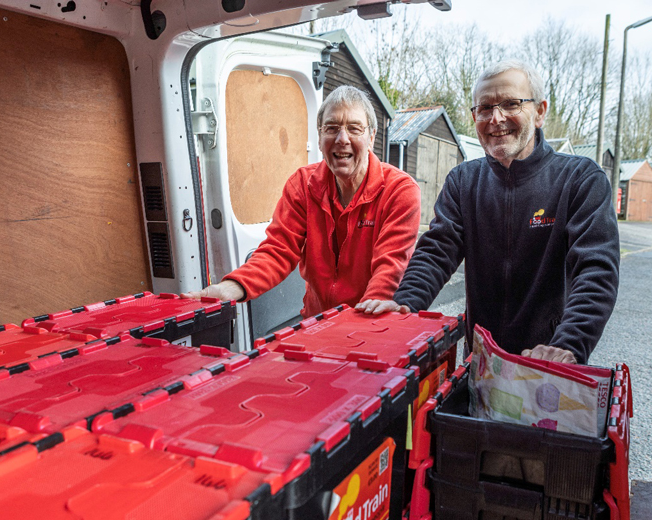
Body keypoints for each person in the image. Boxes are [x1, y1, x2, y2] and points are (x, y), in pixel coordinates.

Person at [357, 60, 619, 364]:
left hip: (549, 364)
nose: (496, 118)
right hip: (481, 363)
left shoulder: (580, 179)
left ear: (540, 112)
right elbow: (436, 252)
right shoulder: (463, 181)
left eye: (511, 104)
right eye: (484, 108)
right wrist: (404, 304)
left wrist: (570, 343)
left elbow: (596, 269)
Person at [182, 85, 420, 318]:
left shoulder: (400, 191)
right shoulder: (303, 185)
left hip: (369, 322)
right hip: (317, 322)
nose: (342, 138)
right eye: (331, 127)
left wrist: (367, 314)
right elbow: (277, 251)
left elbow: (390, 268)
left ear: (371, 138)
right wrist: (228, 289)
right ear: (319, 137)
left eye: (354, 128)